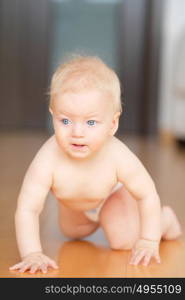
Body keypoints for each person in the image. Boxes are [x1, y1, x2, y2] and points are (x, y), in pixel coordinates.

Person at [9, 55, 182, 274]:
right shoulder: (47, 159)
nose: (77, 133)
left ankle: (165, 219)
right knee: (73, 233)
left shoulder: (117, 155)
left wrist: (148, 239)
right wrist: (31, 253)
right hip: (75, 206)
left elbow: (146, 194)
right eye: (65, 121)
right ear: (52, 115)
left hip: (112, 195)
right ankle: (98, 218)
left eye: (91, 122)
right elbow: (27, 208)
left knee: (123, 240)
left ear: (112, 124)